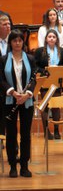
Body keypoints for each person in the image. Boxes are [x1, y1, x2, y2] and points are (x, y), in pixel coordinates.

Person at [0, 29, 36, 178]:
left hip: (26, 100)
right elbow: (1, 80)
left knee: (26, 134)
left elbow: (33, 79)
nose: (17, 43)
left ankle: (24, 166)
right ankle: (13, 166)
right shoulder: (3, 59)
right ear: (11, 42)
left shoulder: (30, 58)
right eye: (14, 40)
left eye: (20, 40)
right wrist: (13, 93)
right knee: (11, 134)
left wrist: (27, 94)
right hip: (10, 100)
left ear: (23, 42)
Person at [34, 30, 63, 140]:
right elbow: (35, 66)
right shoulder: (39, 51)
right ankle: (46, 131)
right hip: (45, 81)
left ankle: (57, 130)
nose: (52, 38)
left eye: (54, 37)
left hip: (57, 81)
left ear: (57, 39)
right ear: (46, 39)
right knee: (45, 107)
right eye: (49, 36)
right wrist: (44, 71)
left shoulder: (62, 51)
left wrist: (58, 70)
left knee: (56, 107)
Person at [0, 15, 11, 137]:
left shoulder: (13, 41)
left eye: (9, 24)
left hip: (10, 84)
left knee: (9, 118)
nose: (8, 26)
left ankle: (13, 146)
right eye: (5, 24)